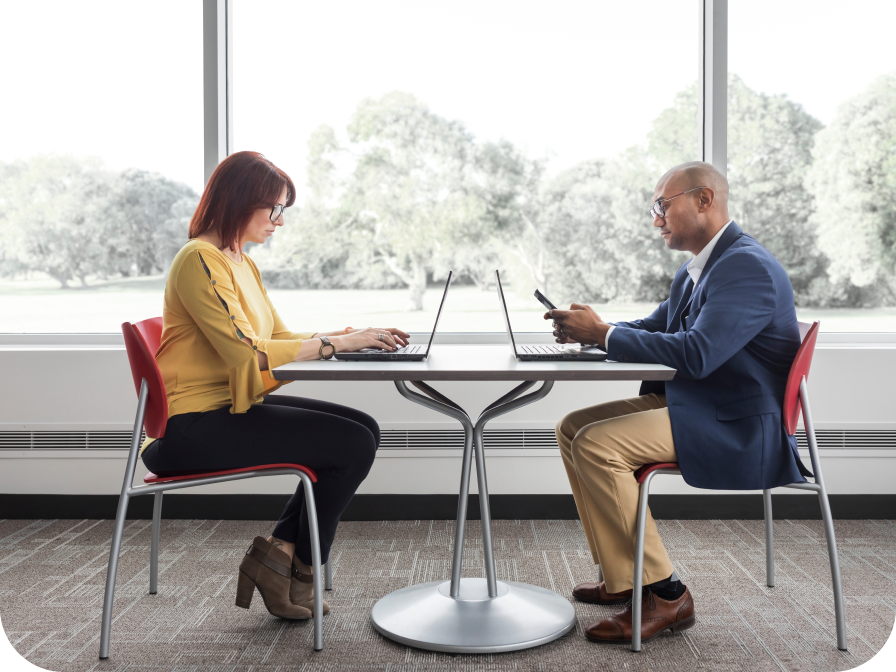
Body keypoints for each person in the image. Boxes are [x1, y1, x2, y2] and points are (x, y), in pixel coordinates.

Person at [547, 161, 808, 644]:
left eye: (662, 206)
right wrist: (596, 330)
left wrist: (604, 335)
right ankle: (623, 577)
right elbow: (656, 328)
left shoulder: (746, 267)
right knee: (571, 428)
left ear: (704, 200)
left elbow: (698, 353)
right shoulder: (699, 270)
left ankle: (665, 593)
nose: (656, 220)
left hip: (738, 422)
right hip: (704, 405)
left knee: (597, 446)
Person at [140, 151, 409, 620]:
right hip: (188, 429)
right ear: (242, 201)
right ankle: (300, 568)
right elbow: (247, 352)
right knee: (349, 444)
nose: (280, 222)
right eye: (276, 209)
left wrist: (350, 337)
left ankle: (278, 555)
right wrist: (338, 343)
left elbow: (277, 339)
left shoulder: (239, 261)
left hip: (225, 411)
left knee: (364, 428)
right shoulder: (199, 260)